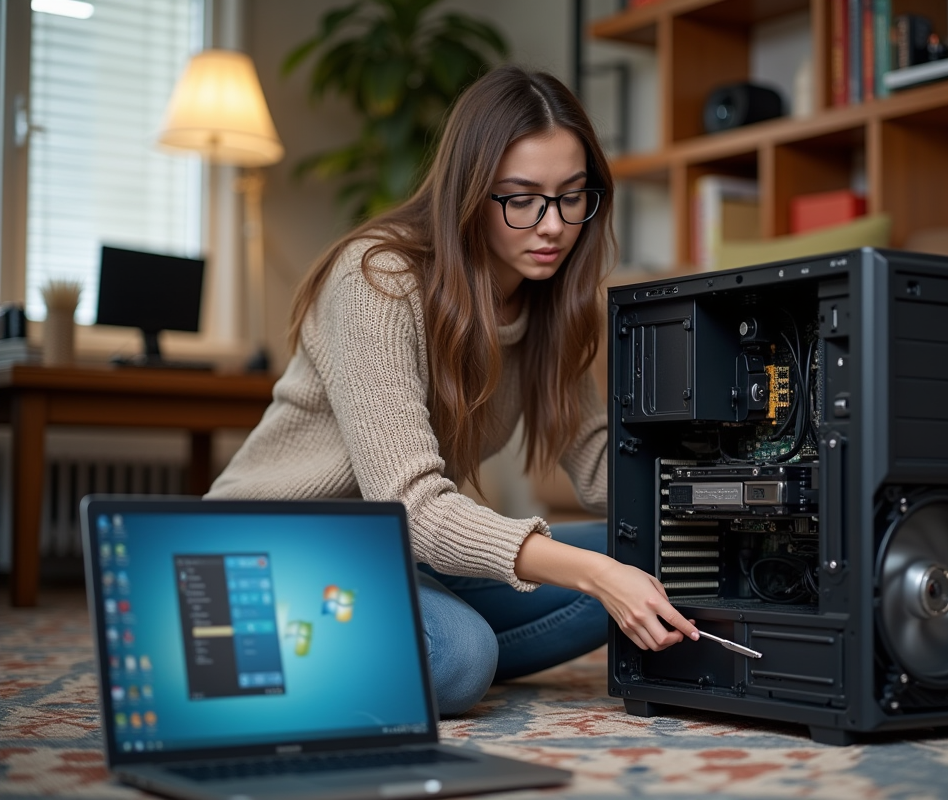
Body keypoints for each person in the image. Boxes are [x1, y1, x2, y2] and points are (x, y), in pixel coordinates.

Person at [206, 65, 699, 716]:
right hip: (270, 550)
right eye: (521, 198)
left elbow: (605, 466)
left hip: (390, 560)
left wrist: (729, 481)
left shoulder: (549, 304)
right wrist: (599, 577)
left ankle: (386, 644)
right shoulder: (377, 280)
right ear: (470, 191)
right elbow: (412, 506)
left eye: (572, 196)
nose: (552, 225)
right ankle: (232, 649)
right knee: (463, 657)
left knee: (654, 554)